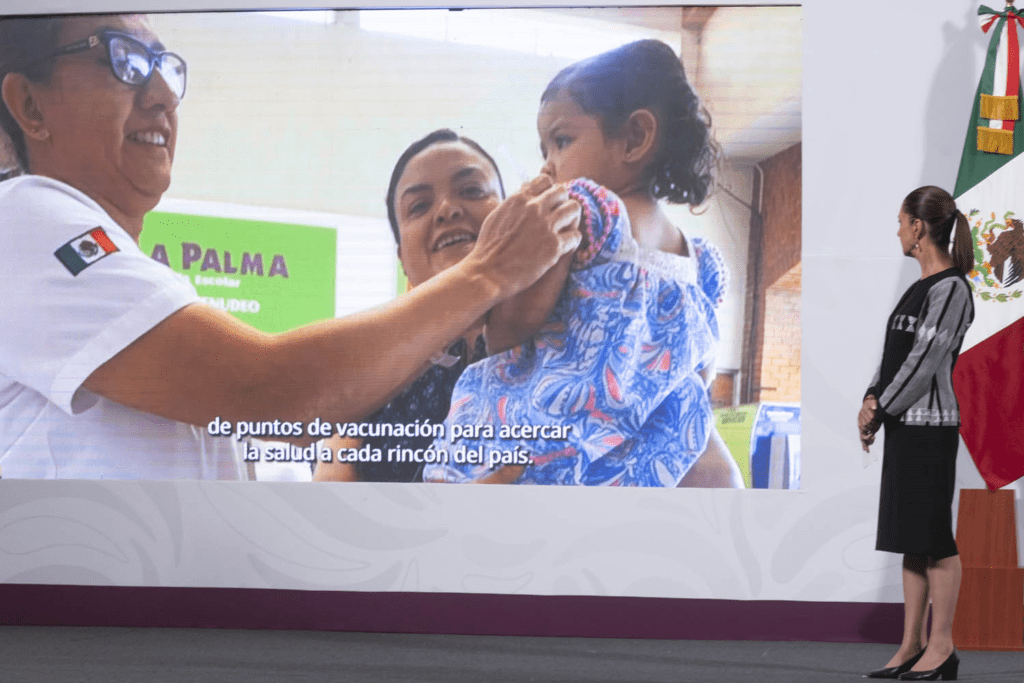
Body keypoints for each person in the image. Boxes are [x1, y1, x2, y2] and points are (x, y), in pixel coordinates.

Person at [0, 14, 581, 480]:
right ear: (30, 105)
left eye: (164, 68)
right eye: (123, 60)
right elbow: (273, 391)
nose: (162, 97)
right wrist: (486, 272)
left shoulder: (571, 340)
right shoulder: (22, 218)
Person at [424, 39, 744, 487]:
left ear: (635, 138)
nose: (548, 167)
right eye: (544, 151)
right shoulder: (699, 262)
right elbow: (700, 374)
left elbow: (510, 332)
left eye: (561, 142)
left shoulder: (583, 213)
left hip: (547, 434)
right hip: (641, 459)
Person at [314, 129, 501, 482]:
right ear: (402, 258)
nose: (447, 210)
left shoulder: (571, 340)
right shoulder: (368, 378)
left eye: (472, 190)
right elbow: (328, 504)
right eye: (419, 206)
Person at [859, 186, 974, 680]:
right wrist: (871, 397)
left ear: (918, 227)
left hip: (930, 429)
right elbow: (894, 356)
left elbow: (924, 364)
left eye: (901, 222)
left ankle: (942, 646)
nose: (898, 231)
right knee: (913, 539)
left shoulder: (951, 289)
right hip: (904, 424)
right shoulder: (918, 287)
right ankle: (911, 646)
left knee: (935, 540)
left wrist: (881, 409)